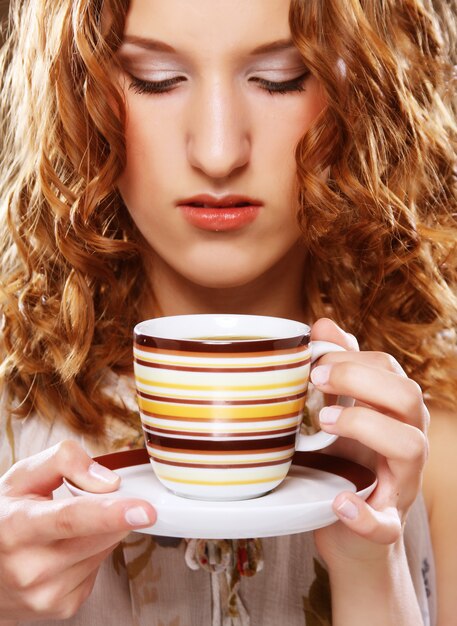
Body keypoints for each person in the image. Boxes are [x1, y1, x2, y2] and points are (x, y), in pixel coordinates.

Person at [0, 0, 456, 624]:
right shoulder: (11, 417)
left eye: (280, 78)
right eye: (156, 79)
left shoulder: (434, 433)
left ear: (363, 82)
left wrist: (369, 562)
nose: (217, 152)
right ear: (79, 93)